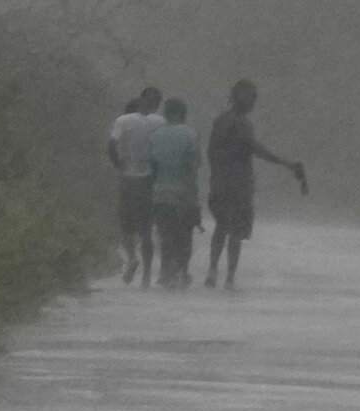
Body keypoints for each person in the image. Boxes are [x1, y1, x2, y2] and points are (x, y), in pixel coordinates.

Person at [204, 79, 306, 291]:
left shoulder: (220, 121)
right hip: (239, 185)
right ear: (242, 99)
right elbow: (255, 149)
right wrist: (286, 163)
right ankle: (230, 277)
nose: (252, 103)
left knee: (222, 227)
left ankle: (213, 270)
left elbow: (211, 153)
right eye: (251, 99)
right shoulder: (242, 124)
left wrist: (217, 175)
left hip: (221, 184)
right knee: (235, 232)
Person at [106, 86, 162, 287]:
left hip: (127, 179)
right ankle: (146, 275)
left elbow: (111, 146)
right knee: (146, 229)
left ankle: (132, 258)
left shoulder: (123, 121)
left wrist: (119, 163)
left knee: (126, 226)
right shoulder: (160, 122)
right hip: (148, 181)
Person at [148, 96, 202, 288]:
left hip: (160, 194)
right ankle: (182, 271)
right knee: (184, 235)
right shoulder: (190, 134)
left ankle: (165, 272)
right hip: (183, 194)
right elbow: (192, 168)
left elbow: (152, 168)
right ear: (182, 114)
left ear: (166, 113)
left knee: (165, 235)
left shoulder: (155, 136)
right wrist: (194, 198)